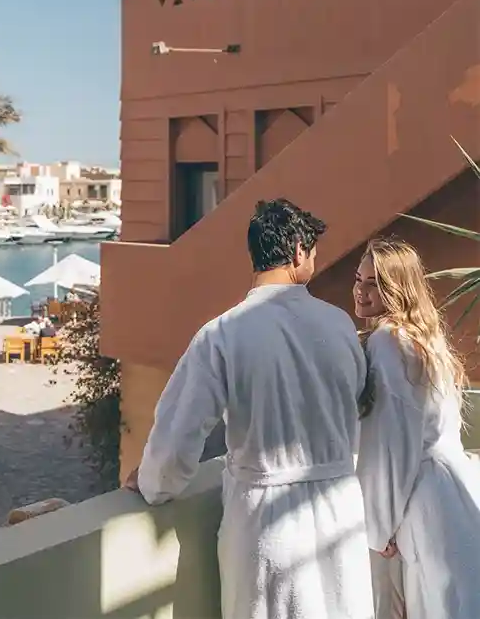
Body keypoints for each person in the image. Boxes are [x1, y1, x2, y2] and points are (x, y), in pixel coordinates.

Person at [125, 199, 374, 619]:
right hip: (340, 515)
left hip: (266, 527)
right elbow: (358, 405)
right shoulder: (340, 325)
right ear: (298, 252)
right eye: (313, 251)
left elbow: (179, 433)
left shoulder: (221, 335)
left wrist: (152, 482)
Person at [355, 238, 480, 619]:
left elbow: (390, 446)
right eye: (359, 278)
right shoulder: (424, 339)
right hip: (456, 492)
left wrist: (379, 528)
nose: (361, 289)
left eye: (374, 282)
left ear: (397, 288)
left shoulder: (387, 343)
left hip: (423, 501)